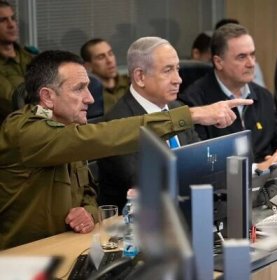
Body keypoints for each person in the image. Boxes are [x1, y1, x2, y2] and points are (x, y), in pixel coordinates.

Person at [0, 49, 251, 249]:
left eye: (88, 87)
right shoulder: (24, 132)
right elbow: (102, 137)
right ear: (47, 97)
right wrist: (191, 114)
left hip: (67, 248)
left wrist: (87, 211)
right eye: (79, 89)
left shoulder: (68, 127)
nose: (89, 98)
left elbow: (87, 191)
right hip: (22, 260)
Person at [98, 37, 201, 211]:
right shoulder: (117, 122)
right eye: (168, 70)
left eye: (177, 69)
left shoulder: (179, 108)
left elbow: (200, 161)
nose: (178, 79)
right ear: (140, 77)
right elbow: (142, 182)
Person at [179, 23, 277, 171]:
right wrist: (256, 169)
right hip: (223, 189)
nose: (251, 63)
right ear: (218, 62)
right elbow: (203, 162)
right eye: (242, 57)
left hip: (269, 185)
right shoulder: (194, 101)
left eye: (252, 55)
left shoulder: (264, 96)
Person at [0, 1, 35, 124]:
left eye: (13, 18)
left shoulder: (31, 57)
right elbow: (13, 104)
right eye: (2, 20)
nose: (11, 25)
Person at [80, 38, 129, 113]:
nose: (109, 60)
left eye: (110, 53)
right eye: (101, 57)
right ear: (88, 66)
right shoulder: (88, 95)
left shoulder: (132, 84)